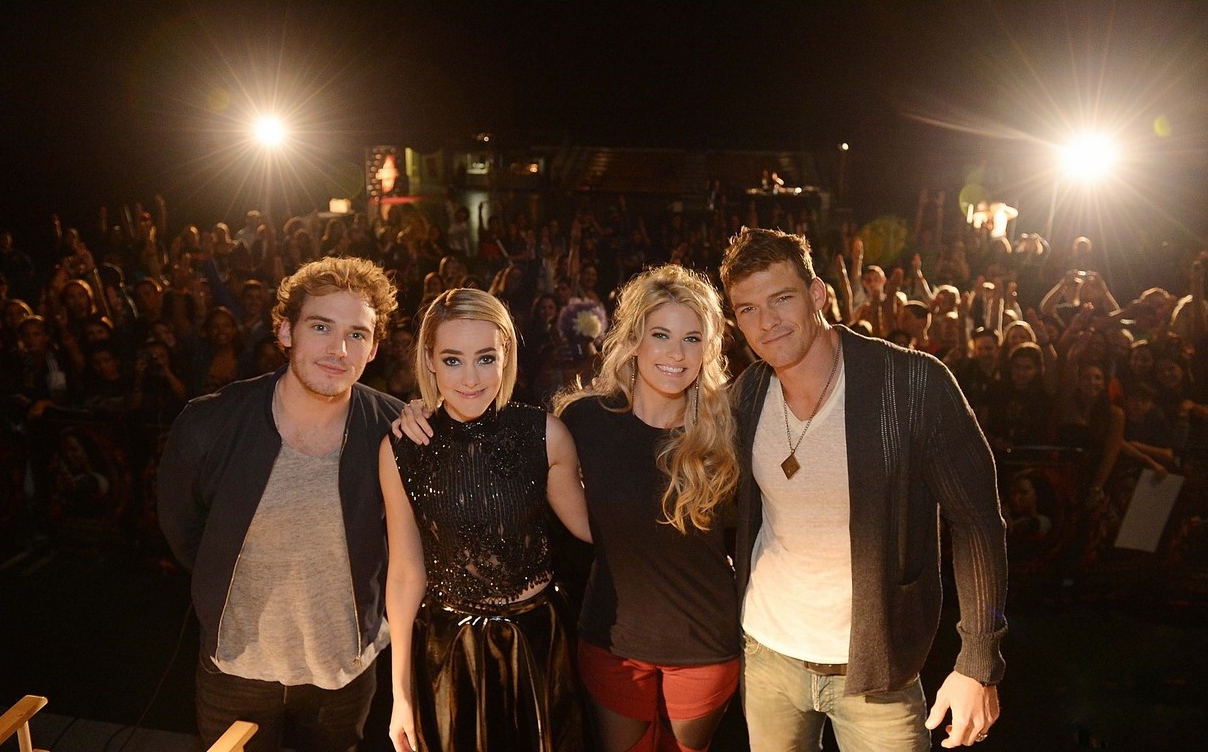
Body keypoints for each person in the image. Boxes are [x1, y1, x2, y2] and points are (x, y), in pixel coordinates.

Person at [720, 227, 1007, 751]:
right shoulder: (748, 394)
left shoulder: (914, 384)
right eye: (747, 309)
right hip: (767, 656)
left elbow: (977, 521)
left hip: (877, 670)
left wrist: (978, 662)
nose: (767, 323)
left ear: (817, 295)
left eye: (781, 299)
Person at [157, 257, 405, 752]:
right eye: (320, 327)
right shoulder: (210, 424)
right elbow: (183, 530)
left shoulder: (396, 431)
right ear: (285, 331)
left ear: (374, 348)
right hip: (236, 668)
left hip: (343, 672)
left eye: (357, 334)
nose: (338, 349)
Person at [388, 287, 592, 752]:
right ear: (430, 359)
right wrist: (400, 692)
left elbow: (590, 527)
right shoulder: (402, 448)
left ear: (507, 355)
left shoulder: (545, 434)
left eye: (485, 358)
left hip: (540, 645)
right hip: (450, 654)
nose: (471, 378)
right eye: (453, 359)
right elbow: (404, 573)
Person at [552, 265, 742, 752]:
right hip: (614, 640)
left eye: (692, 338)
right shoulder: (584, 420)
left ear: (709, 349)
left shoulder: (728, 430)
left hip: (704, 643)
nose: (676, 353)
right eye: (661, 334)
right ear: (634, 338)